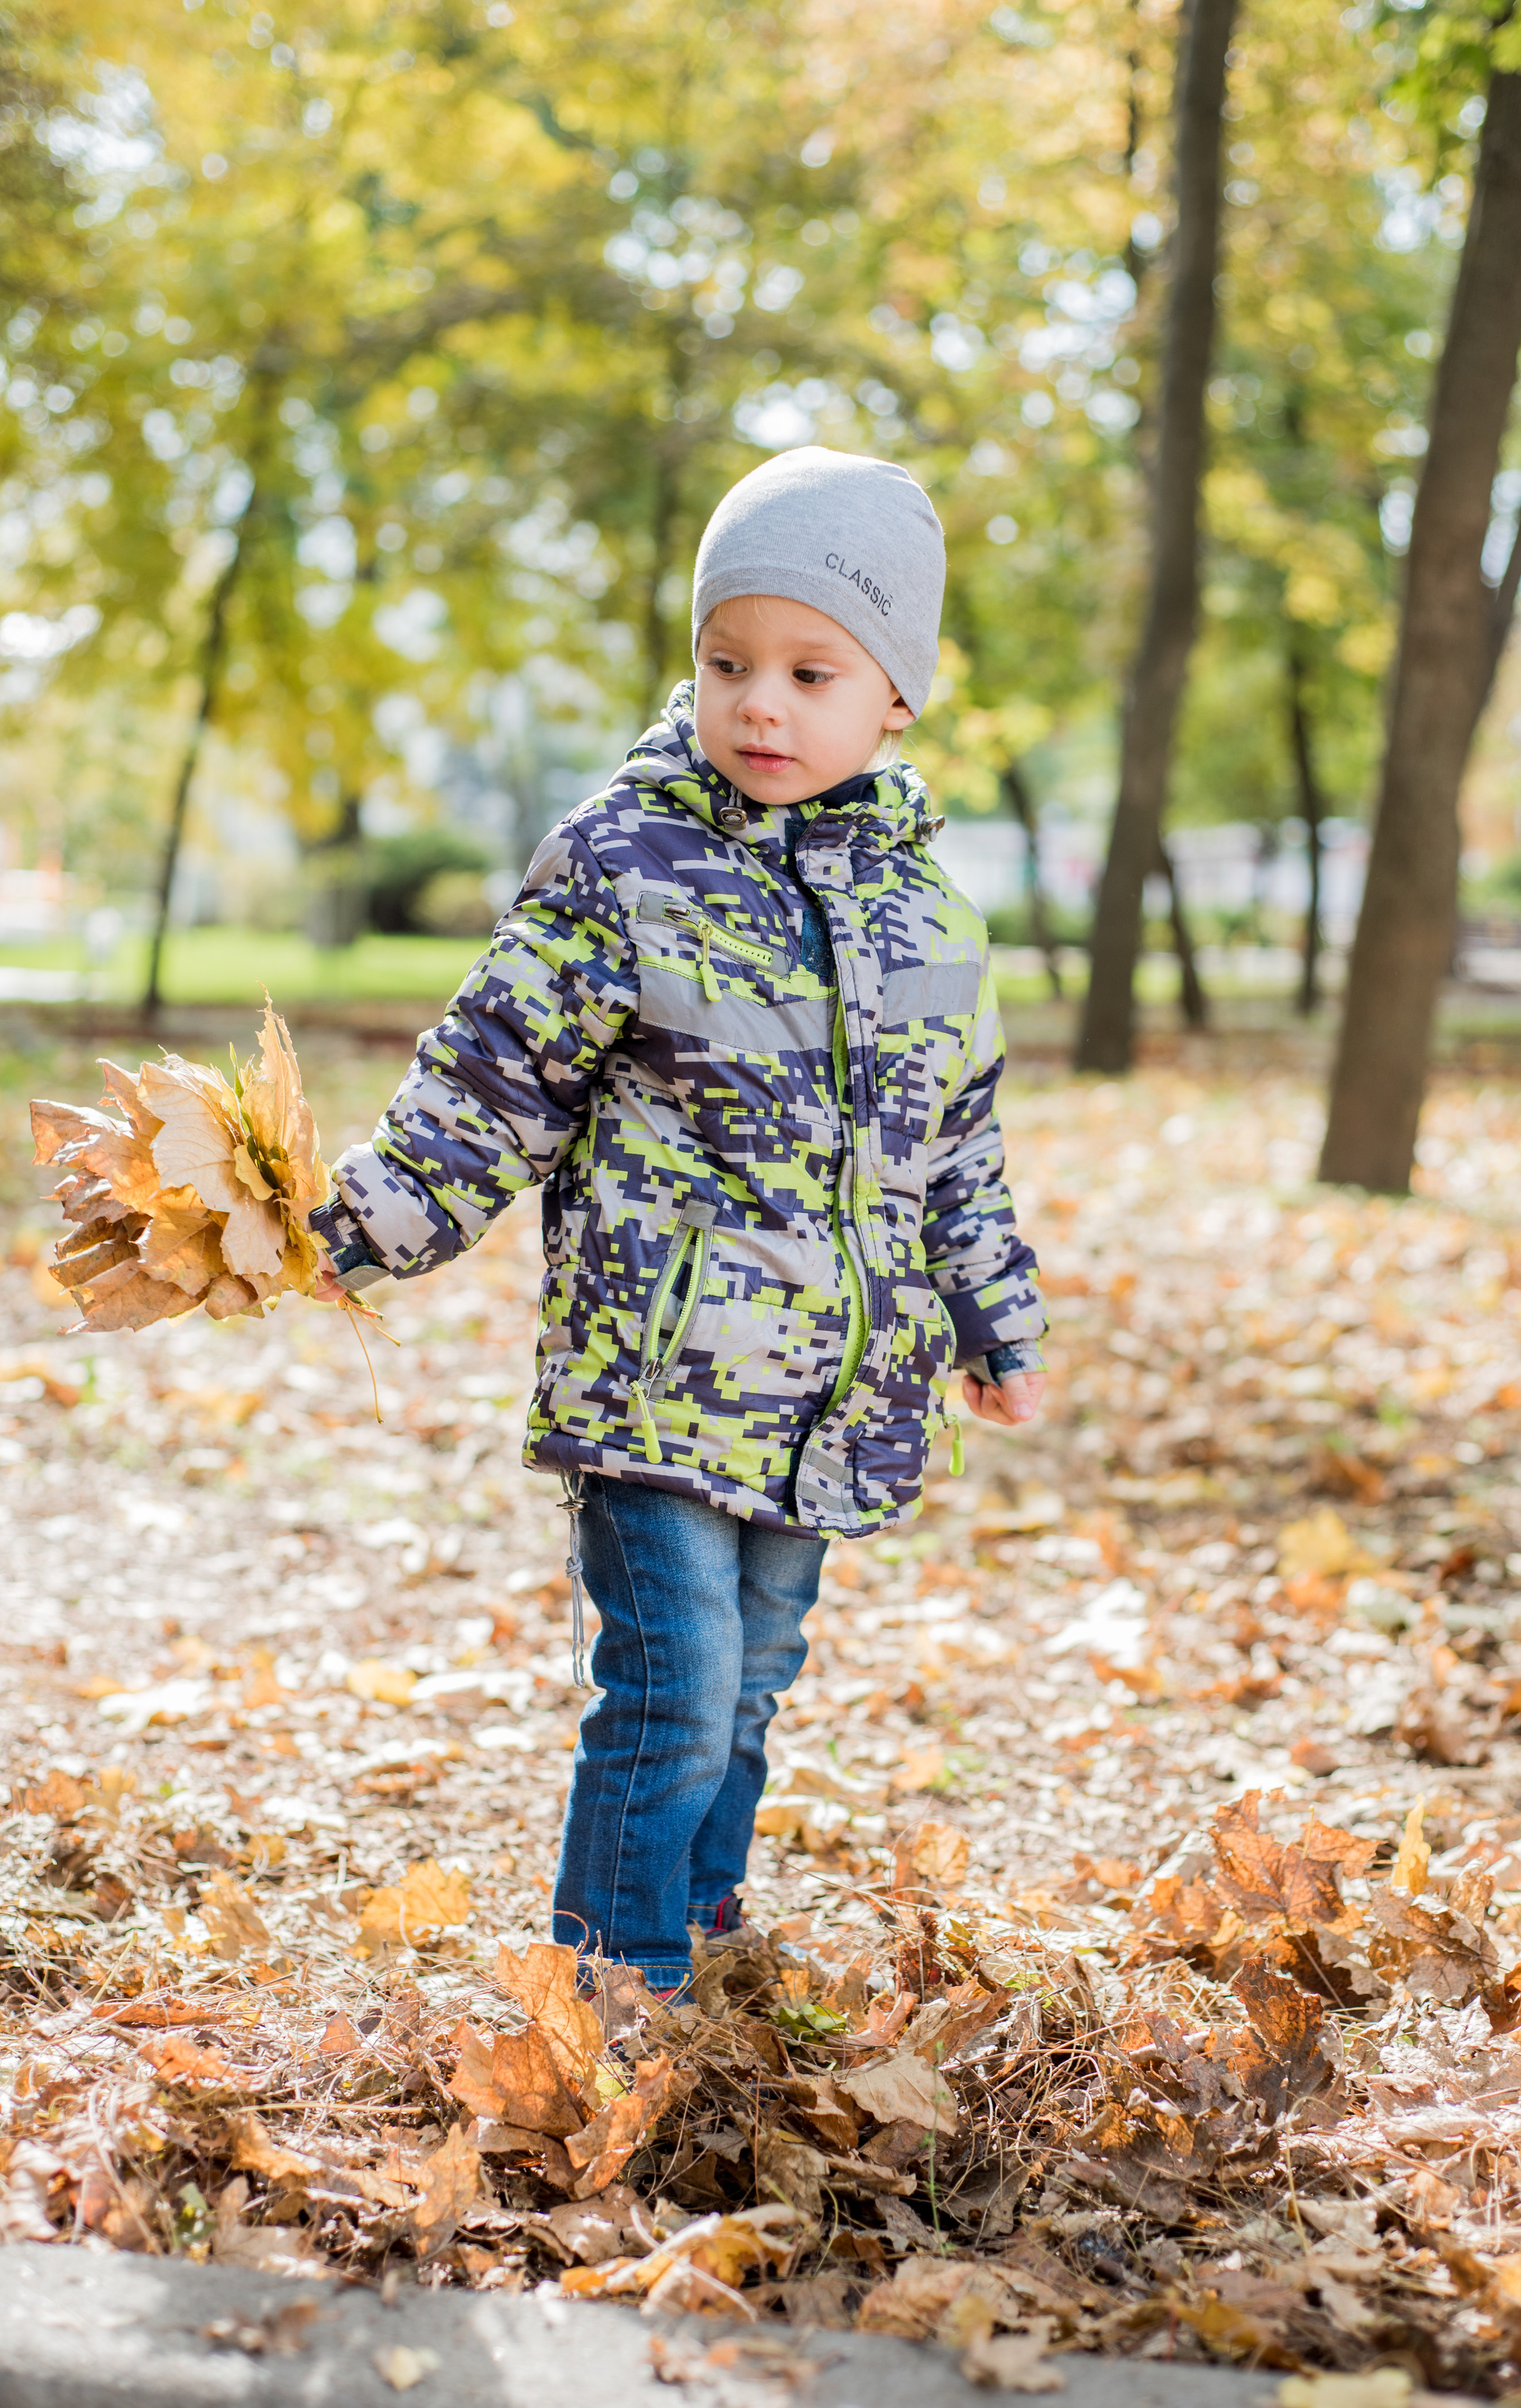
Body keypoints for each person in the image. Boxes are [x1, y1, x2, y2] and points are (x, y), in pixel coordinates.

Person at [310, 446, 1047, 1995]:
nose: (758, 704)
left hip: (829, 1394)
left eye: (808, 672)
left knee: (753, 1682)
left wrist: (994, 1317)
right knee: (673, 1686)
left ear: (895, 698)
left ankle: (700, 1936)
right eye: (727, 663)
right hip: (652, 1379)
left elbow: (955, 1145)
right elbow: (493, 1073)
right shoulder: (626, 862)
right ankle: (615, 1982)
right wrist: (363, 1222)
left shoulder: (930, 915)